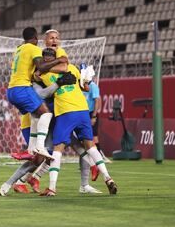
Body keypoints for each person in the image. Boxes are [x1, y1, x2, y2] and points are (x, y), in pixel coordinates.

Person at [12, 48, 101, 195]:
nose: (48, 61)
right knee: (45, 154)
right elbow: (41, 94)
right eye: (45, 59)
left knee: (68, 149)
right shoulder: (37, 76)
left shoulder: (62, 70)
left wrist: (82, 83)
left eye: (51, 59)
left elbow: (79, 85)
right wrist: (58, 83)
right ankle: (20, 181)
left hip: (61, 115)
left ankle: (83, 182)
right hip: (45, 120)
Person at [38, 51, 118, 196]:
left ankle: (52, 187)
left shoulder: (44, 74)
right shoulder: (73, 68)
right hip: (82, 110)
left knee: (58, 149)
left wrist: (42, 68)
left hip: (66, 111)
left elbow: (43, 85)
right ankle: (108, 178)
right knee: (91, 146)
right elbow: (84, 86)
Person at [6, 27, 68, 160]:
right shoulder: (32, 48)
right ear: (35, 37)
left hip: (11, 90)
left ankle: (30, 150)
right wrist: (58, 60)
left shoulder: (19, 49)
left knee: (35, 116)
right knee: (46, 113)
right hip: (22, 87)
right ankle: (39, 146)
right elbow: (41, 66)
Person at [82, 71, 111, 163]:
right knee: (84, 137)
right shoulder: (81, 85)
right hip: (83, 113)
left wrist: (94, 116)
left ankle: (99, 155)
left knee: (94, 136)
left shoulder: (93, 86)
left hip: (90, 113)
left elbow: (97, 101)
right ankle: (90, 158)